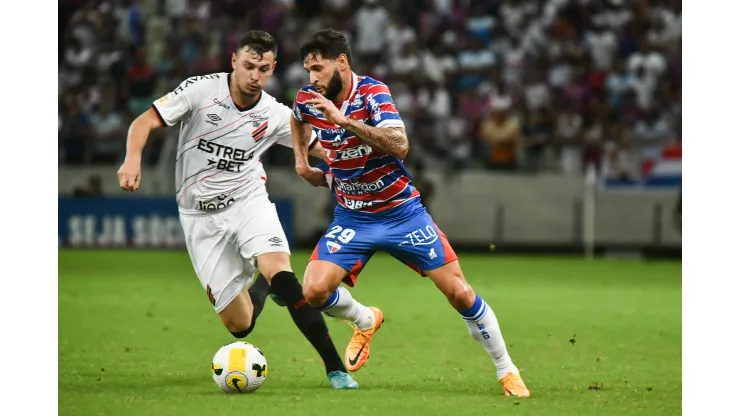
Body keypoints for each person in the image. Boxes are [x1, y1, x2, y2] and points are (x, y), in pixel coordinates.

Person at [290, 28, 530, 397]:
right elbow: (297, 116)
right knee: (314, 289)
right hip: (353, 217)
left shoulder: (373, 92)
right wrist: (302, 161)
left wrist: (343, 121)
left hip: (403, 214)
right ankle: (365, 319)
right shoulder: (309, 98)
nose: (312, 78)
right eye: (308, 70)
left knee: (461, 294)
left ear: (342, 62)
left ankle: (506, 369)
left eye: (318, 68)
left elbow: (400, 146)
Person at [116, 30, 358, 390]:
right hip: (200, 216)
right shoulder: (200, 91)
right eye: (248, 66)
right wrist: (132, 160)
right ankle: (262, 287)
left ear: (273, 68)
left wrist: (357, 159)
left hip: (248, 201)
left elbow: (319, 148)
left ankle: (335, 368)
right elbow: (144, 121)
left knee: (285, 276)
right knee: (240, 325)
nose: (254, 75)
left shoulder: (275, 114)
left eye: (263, 68)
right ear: (233, 61)